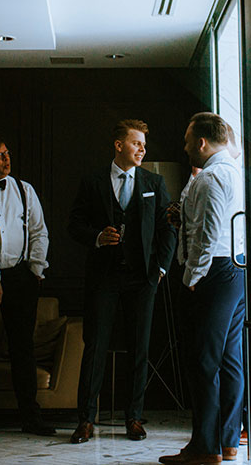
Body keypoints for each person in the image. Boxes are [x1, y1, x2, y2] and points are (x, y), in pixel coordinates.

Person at [68, 119, 177, 444]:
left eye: (144, 144)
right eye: (136, 143)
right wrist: (98, 237)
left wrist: (159, 270)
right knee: (95, 346)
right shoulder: (93, 181)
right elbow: (74, 224)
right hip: (104, 276)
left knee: (139, 348)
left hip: (143, 278)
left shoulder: (154, 183)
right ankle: (86, 420)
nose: (143, 149)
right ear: (119, 145)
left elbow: (168, 227)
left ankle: (133, 417)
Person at [160, 113, 246, 465]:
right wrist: (182, 215)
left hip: (213, 272)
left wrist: (192, 277)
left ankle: (204, 448)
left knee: (203, 361)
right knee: (229, 359)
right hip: (235, 270)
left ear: (201, 142)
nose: (183, 147)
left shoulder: (212, 178)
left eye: (186, 140)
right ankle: (227, 442)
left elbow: (209, 234)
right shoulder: (231, 172)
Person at [0, 134, 57, 437]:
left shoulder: (24, 190)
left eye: (7, 153)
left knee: (23, 347)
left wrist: (35, 270)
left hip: (21, 278)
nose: (7, 159)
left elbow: (39, 231)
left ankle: (30, 417)